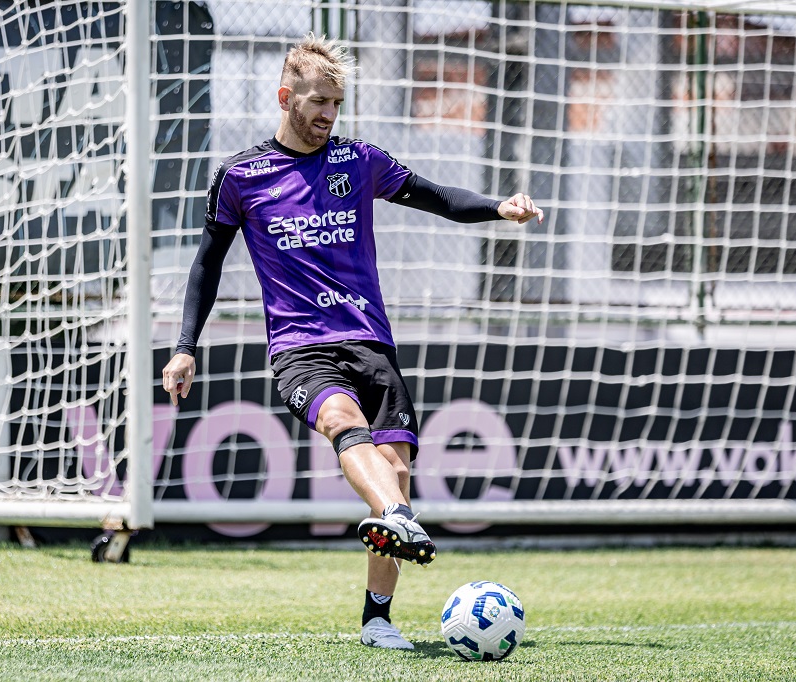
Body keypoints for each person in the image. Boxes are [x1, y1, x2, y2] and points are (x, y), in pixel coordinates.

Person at [161, 32, 543, 650]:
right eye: (318, 101)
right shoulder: (240, 176)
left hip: (370, 341)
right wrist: (186, 345)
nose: (328, 115)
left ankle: (377, 619)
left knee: (396, 469)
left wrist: (499, 207)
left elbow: (438, 197)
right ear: (285, 97)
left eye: (336, 104)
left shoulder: (359, 161)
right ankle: (397, 517)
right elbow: (207, 264)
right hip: (300, 347)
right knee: (342, 422)